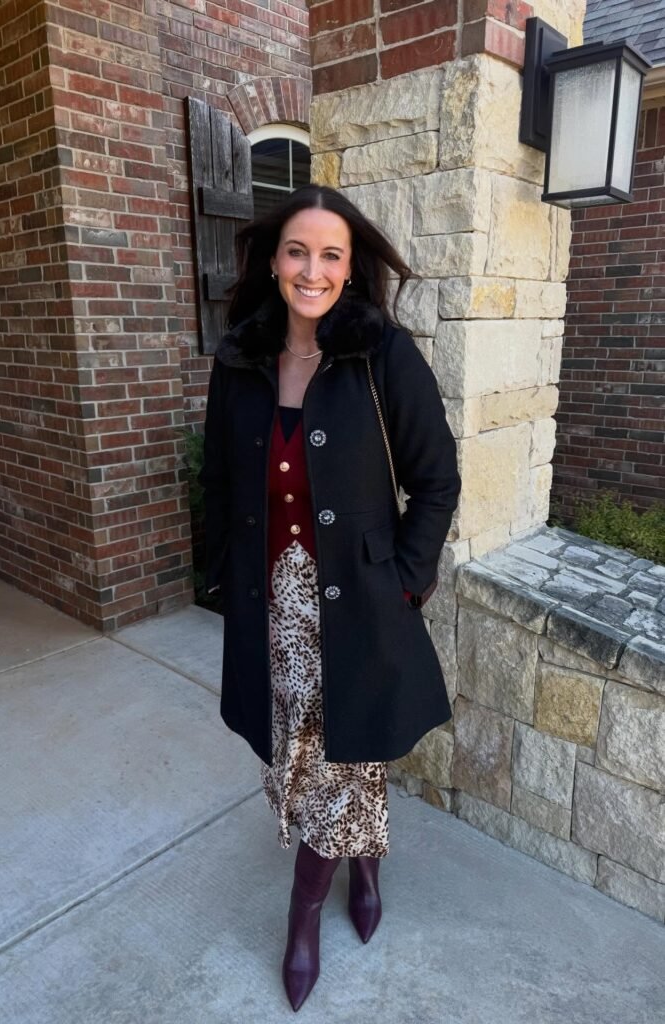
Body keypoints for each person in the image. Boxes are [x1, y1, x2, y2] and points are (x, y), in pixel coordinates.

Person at [199, 184, 461, 1011]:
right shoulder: (241, 359)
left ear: (351, 270)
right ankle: (368, 865)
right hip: (270, 607)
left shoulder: (382, 354)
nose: (312, 269)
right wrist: (217, 571)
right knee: (313, 757)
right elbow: (216, 481)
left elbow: (436, 480)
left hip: (356, 604)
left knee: (337, 760)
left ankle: (303, 918)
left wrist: (407, 580)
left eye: (331, 255)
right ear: (274, 261)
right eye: (297, 251)